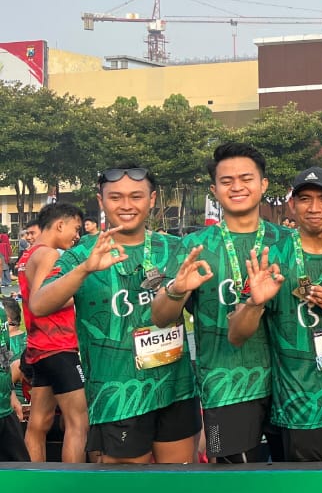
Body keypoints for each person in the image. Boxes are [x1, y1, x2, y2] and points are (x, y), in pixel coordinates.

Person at [32, 167, 206, 464]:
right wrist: (84, 270)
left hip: (174, 388)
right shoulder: (82, 253)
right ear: (101, 201)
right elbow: (38, 305)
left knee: (178, 479)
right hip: (118, 395)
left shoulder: (175, 249)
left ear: (152, 199)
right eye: (116, 197)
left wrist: (179, 290)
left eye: (136, 196)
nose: (126, 205)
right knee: (125, 486)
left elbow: (182, 313)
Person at [153, 142, 285, 464]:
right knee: (232, 482)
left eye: (246, 178)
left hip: (290, 385)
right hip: (225, 388)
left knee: (293, 481)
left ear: (263, 185)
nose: (237, 187)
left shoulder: (288, 242)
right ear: (214, 191)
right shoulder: (194, 246)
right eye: (227, 181)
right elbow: (160, 317)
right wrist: (176, 290)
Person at [233, 167, 322, 462]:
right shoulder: (272, 257)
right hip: (299, 406)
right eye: (304, 199)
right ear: (292, 204)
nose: (314, 208)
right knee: (309, 489)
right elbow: (236, 334)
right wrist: (255, 303)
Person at [16, 202, 89, 463]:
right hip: (59, 346)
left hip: (39, 348)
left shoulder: (27, 256)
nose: (77, 236)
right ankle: (74, 483)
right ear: (60, 225)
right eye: (75, 229)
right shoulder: (49, 254)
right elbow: (42, 299)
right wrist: (81, 291)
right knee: (78, 422)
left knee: (38, 423)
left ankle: (36, 480)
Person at [0, 297, 30, 461]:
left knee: (20, 467)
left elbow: (3, 353)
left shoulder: (1, 313)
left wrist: (11, 393)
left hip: (6, 407)